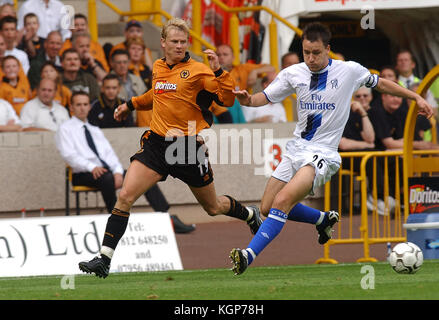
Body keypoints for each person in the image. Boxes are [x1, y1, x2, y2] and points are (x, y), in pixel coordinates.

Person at [229, 22, 435, 275]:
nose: (311, 58)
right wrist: (249, 100)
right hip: (296, 148)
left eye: (316, 52)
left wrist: (415, 96)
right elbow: (267, 96)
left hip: (323, 153)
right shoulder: (293, 73)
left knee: (282, 202)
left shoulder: (348, 71)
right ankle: (323, 219)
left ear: (328, 49)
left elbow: (381, 84)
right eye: (306, 52)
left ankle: (247, 255)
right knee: (266, 206)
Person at [78, 18, 262, 278]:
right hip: (156, 144)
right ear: (162, 43)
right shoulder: (157, 66)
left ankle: (249, 214)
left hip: (187, 147)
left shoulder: (199, 70)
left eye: (183, 41)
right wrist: (129, 104)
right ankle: (104, 259)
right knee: (125, 196)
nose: (178, 45)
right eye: (174, 41)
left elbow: (227, 98)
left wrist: (219, 71)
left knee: (212, 207)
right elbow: (156, 94)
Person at [56, 91, 194, 234]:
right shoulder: (65, 129)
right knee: (107, 179)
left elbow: (109, 154)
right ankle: (115, 222)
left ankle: (166, 216)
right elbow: (69, 155)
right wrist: (92, 167)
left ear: (89, 107)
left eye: (85, 104)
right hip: (84, 173)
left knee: (142, 176)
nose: (82, 108)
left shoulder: (94, 129)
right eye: (78, 105)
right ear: (71, 107)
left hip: (107, 172)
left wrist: (117, 171)